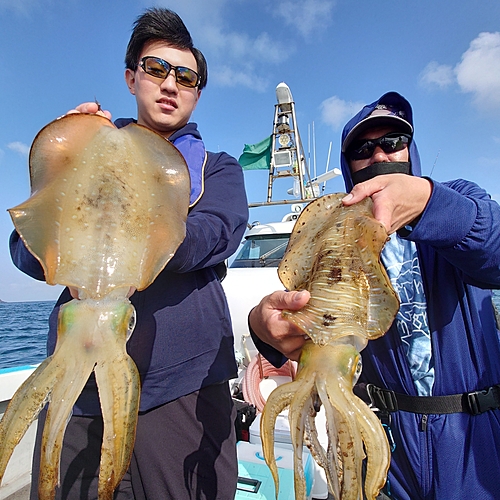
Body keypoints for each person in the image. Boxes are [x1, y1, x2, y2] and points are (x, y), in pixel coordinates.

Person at [10, 8, 248, 500]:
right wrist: (65, 165)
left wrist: (132, 225)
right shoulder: (87, 151)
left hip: (184, 390)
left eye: (186, 77)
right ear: (131, 77)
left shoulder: (220, 170)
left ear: (198, 90)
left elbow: (214, 236)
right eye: (155, 69)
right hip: (80, 394)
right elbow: (28, 252)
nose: (170, 84)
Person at [249, 91, 500, 499]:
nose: (380, 156)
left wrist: (429, 203)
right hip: (386, 452)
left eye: (393, 142)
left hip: (475, 443)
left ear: (410, 149)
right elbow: (305, 314)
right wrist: (262, 328)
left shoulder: (458, 200)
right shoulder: (327, 226)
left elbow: (495, 252)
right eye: (363, 149)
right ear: (348, 166)